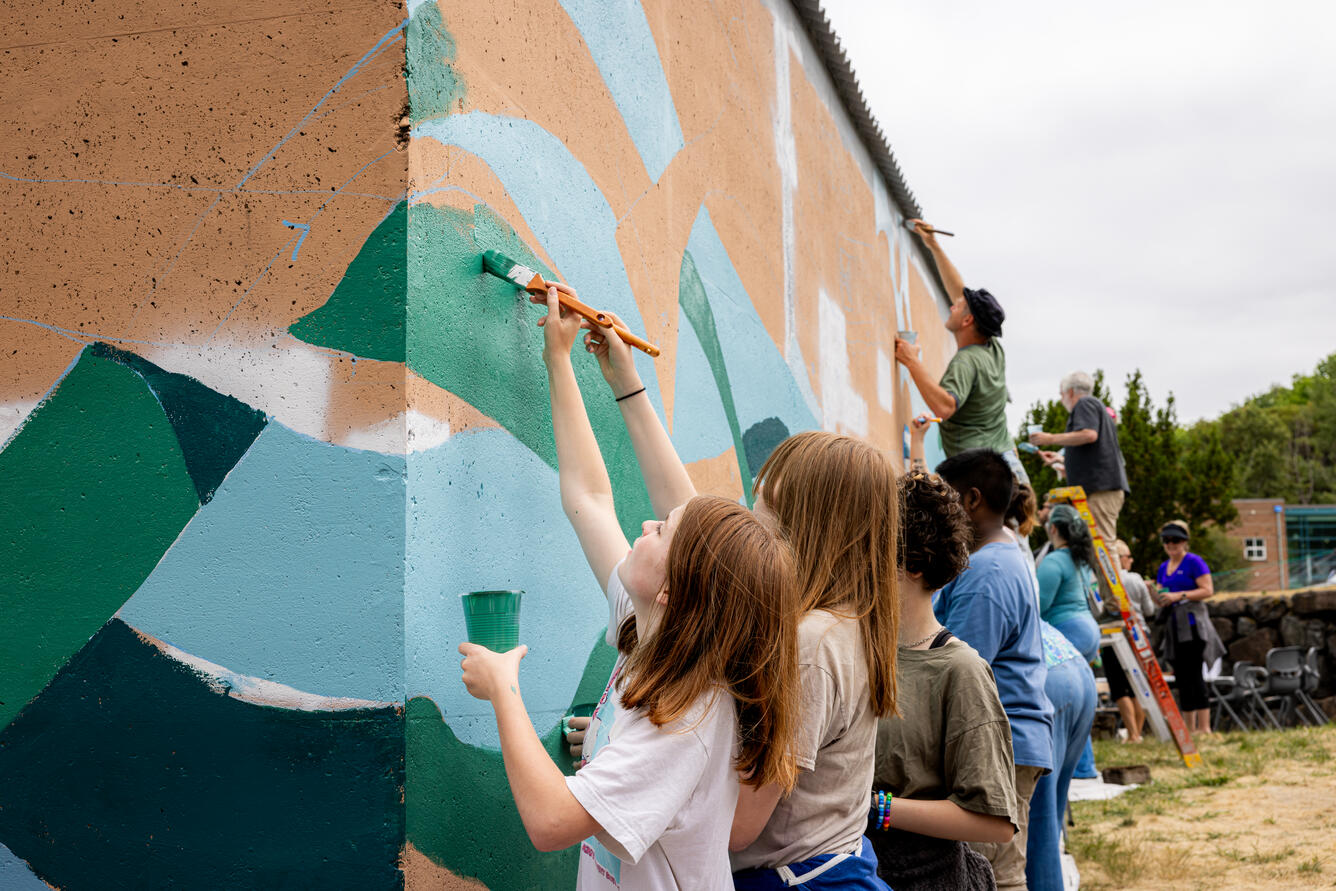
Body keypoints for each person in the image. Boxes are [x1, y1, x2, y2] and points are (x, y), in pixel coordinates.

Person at [458, 286, 802, 889]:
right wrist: (560, 361)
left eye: (662, 530)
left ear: (674, 592)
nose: (646, 523)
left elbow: (551, 821)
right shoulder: (649, 633)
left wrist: (503, 691)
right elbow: (588, 497)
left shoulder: (685, 718)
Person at [573, 306, 900, 887]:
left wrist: (639, 767)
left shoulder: (809, 641)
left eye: (764, 499)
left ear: (806, 525)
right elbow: (691, 523)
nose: (750, 499)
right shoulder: (827, 617)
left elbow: (738, 826)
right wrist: (627, 385)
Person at [868, 434, 1018, 891]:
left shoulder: (960, 670)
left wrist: (877, 808)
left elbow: (991, 822)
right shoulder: (848, 650)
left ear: (913, 564)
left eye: (869, 545)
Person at [932, 448, 1054, 891]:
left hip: (1003, 744)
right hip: (1013, 741)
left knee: (993, 877)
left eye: (943, 499)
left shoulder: (987, 571)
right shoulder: (1003, 557)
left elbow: (959, 667)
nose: (936, 513)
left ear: (971, 500)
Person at [895, 220, 1027, 483]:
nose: (952, 306)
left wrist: (911, 361)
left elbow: (944, 407)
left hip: (980, 474)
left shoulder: (967, 362)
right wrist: (933, 245)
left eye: (958, 306)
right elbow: (958, 290)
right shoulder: (992, 347)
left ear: (968, 321)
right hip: (1005, 467)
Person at [1030, 371, 1128, 603]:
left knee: (1103, 544)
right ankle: (1114, 601)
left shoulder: (1085, 403)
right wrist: (1061, 461)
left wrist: (1050, 438)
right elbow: (1093, 454)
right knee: (1099, 545)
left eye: (1062, 394)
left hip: (1101, 490)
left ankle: (1116, 603)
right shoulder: (1095, 407)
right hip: (1102, 487)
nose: (1062, 399)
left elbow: (1088, 435)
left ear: (1070, 392)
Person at [1025, 621, 1097, 891]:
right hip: (1070, 659)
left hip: (1047, 678)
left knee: (1037, 825)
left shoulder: (950, 583)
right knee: (1048, 817)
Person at [1153, 520, 1224, 736]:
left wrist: (1179, 595)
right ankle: (1188, 727)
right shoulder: (1164, 567)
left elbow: (1207, 589)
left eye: (1175, 540)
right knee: (1182, 677)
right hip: (1173, 627)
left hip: (1193, 625)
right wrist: (1155, 594)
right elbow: (1160, 596)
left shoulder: (1194, 562)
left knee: (1194, 675)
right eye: (1167, 540)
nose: (1171, 544)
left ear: (1185, 542)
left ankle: (1205, 727)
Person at [1102, 540, 1158, 743]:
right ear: (1121, 558)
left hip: (1114, 634)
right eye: (1128, 557)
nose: (1131, 560)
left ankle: (1132, 732)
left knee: (1119, 688)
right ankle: (1138, 733)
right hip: (1139, 633)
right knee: (1139, 685)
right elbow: (1150, 610)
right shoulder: (1135, 579)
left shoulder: (1104, 581)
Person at [1035, 505, 1101, 664]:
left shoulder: (1053, 561)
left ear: (1053, 529)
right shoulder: (1081, 559)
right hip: (1090, 630)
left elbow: (1038, 606)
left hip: (1067, 632)